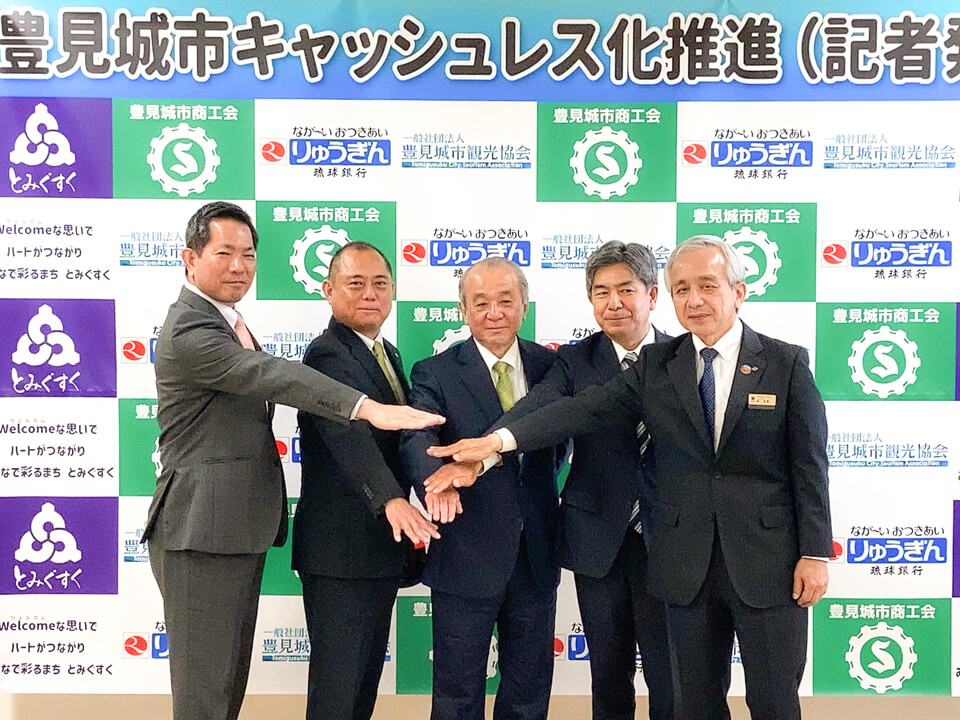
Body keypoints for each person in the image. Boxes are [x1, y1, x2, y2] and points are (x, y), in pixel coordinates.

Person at [427, 236, 833, 720]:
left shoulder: (784, 363)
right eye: (684, 288)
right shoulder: (652, 364)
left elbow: (809, 464)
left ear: (737, 291)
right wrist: (494, 444)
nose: (694, 299)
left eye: (707, 286)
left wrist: (814, 551)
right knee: (679, 693)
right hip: (640, 551)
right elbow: (572, 410)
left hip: (735, 553)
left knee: (752, 695)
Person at [143, 202, 444, 720]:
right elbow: (269, 374)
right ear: (190, 259)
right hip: (198, 529)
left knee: (224, 686)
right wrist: (364, 407)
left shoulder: (227, 322)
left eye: (248, 255)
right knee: (204, 695)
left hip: (230, 528)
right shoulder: (191, 328)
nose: (239, 266)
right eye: (224, 254)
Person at [491, 241, 675, 720]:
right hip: (597, 538)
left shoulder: (681, 357)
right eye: (601, 292)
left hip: (671, 538)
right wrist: (488, 445)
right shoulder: (575, 360)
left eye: (626, 290)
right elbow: (539, 411)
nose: (614, 303)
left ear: (652, 295)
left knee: (670, 674)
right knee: (608, 673)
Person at [400, 257, 565, 720]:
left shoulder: (551, 366)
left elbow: (561, 436)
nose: (494, 313)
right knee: (456, 694)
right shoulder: (435, 371)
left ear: (525, 306)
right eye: (480, 303)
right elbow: (416, 435)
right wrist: (435, 486)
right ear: (463, 310)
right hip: (465, 551)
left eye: (506, 301)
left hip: (535, 553)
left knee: (529, 693)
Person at [293, 241, 440, 720]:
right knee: (337, 693)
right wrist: (392, 500)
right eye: (355, 283)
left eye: (380, 283)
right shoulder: (327, 355)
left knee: (360, 691)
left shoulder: (385, 352)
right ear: (328, 290)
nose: (370, 293)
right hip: (340, 552)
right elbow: (347, 435)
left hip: (376, 550)